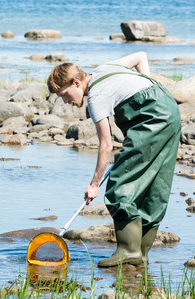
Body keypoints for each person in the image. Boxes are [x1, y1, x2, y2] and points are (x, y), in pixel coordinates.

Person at [47, 52, 181, 267]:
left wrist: (93, 184)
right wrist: (150, 87)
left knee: (120, 186)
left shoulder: (96, 98)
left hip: (152, 121)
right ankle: (140, 255)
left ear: (76, 82)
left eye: (64, 94)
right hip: (169, 109)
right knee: (154, 185)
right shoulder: (105, 68)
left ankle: (128, 252)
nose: (65, 101)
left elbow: (106, 145)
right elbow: (141, 57)